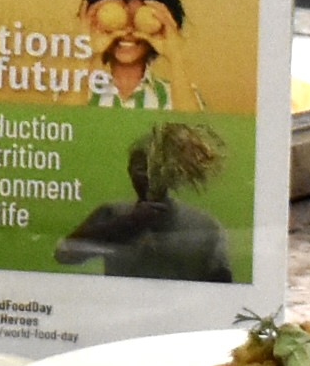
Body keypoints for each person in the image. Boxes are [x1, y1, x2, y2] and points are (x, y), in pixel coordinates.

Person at [54, 120, 236, 281]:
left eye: (155, 170)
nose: (148, 177)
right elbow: (64, 254)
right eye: (141, 168)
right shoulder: (113, 213)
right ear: (129, 171)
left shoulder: (206, 226)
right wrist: (128, 223)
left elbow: (221, 284)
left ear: (172, 173)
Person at [79, 0, 188, 108]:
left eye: (137, 19)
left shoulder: (178, 94)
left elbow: (195, 131)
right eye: (121, 20)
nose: (128, 31)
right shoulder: (79, 91)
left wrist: (175, 55)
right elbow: (63, 127)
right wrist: (84, 51)